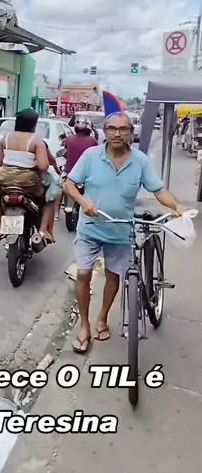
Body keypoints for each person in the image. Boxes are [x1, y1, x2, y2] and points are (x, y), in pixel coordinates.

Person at [64, 111, 185, 354]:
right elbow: (69, 184)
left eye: (123, 129)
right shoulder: (91, 156)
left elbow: (157, 190)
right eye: (112, 128)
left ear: (131, 133)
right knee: (83, 274)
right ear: (105, 132)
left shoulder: (140, 161)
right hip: (90, 228)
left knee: (113, 277)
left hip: (120, 230)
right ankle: (84, 325)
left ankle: (102, 317)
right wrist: (83, 201)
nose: (117, 133)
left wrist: (176, 206)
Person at [0, 108, 57, 264]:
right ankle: (43, 229)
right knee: (51, 197)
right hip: (28, 183)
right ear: (34, 125)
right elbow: (43, 166)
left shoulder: (5, 139)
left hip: (5, 180)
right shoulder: (37, 141)